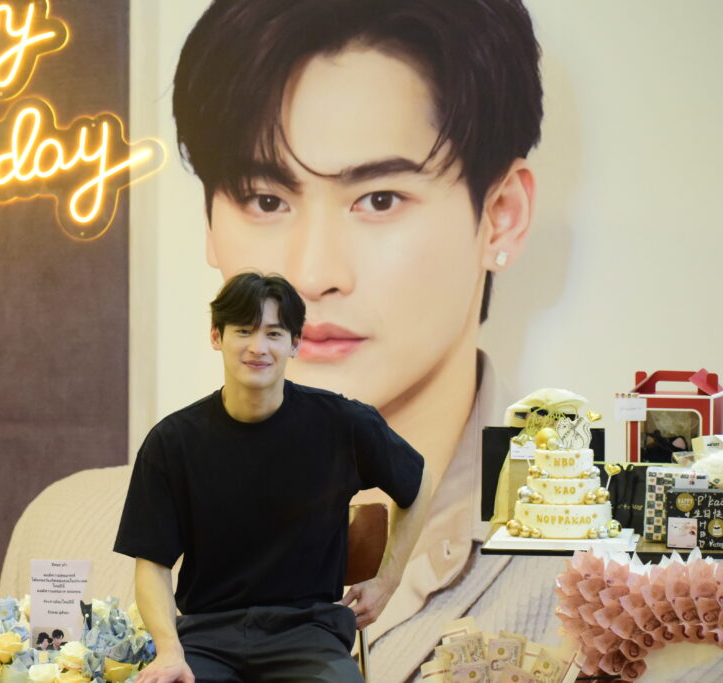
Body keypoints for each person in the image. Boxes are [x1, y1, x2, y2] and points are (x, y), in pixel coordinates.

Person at [169, 1, 559, 679]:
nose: (311, 275)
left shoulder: (637, 596)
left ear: (501, 216)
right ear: (209, 221)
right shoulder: (76, 536)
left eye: (379, 199)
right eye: (265, 200)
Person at [114, 272, 430, 683]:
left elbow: (417, 484)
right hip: (207, 637)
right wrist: (170, 651)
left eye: (274, 333)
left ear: (295, 343)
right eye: (243, 331)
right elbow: (152, 563)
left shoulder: (342, 424)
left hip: (309, 635)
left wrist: (387, 581)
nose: (258, 347)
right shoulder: (172, 441)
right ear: (216, 336)